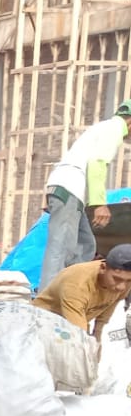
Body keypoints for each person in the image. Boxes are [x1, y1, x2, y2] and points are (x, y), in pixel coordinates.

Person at [41, 101, 131, 287]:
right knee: (61, 247)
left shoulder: (101, 128)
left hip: (67, 190)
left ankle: (74, 289)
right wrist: (99, 203)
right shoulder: (114, 129)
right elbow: (97, 164)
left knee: (86, 244)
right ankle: (47, 300)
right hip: (69, 189)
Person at [33, 244, 131, 338]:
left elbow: (110, 305)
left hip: (75, 324)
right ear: (103, 268)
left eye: (129, 281)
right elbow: (78, 333)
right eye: (116, 279)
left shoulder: (124, 282)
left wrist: (97, 334)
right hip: (42, 324)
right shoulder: (77, 283)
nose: (121, 287)